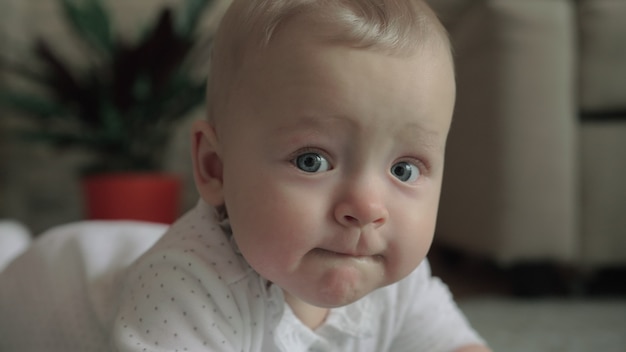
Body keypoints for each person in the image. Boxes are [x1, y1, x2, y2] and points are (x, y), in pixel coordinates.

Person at [110, 0, 490, 351]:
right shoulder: (185, 288)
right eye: (312, 161)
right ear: (216, 167)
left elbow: (454, 343)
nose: (366, 208)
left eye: (403, 170)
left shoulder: (394, 280)